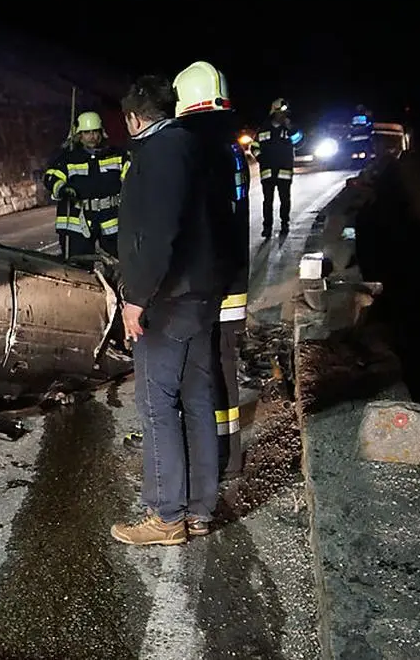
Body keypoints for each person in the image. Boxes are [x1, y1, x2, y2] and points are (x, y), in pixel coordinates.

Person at [109, 72, 240, 547]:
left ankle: (166, 516)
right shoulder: (199, 149)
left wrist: (136, 300)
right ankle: (200, 510)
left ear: (134, 118)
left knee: (155, 404)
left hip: (169, 300)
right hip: (201, 296)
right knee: (197, 399)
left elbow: (159, 234)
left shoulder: (160, 153)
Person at [42, 111, 127, 262]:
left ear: (102, 132)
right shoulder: (67, 158)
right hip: (77, 222)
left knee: (118, 264)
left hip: (111, 220)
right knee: (78, 265)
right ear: (79, 135)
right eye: (87, 132)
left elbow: (131, 175)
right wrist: (62, 189)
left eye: (95, 131)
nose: (92, 136)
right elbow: (51, 177)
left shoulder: (117, 155)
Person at [249, 98, 304, 237]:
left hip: (284, 171)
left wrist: (291, 129)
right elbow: (254, 147)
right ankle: (267, 227)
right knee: (268, 201)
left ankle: (284, 224)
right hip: (267, 172)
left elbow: (299, 143)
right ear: (274, 113)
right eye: (280, 113)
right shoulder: (263, 129)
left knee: (285, 199)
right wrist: (261, 158)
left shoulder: (290, 129)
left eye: (285, 114)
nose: (283, 116)